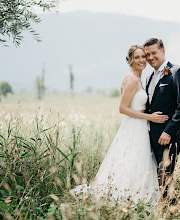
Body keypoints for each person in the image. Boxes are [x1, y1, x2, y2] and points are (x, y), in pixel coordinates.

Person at [70, 45, 169, 204]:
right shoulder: (131, 79)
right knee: (130, 161)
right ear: (130, 60)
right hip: (134, 127)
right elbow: (122, 108)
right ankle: (123, 198)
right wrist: (150, 117)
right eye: (137, 57)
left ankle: (136, 197)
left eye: (143, 56)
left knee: (137, 161)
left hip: (140, 127)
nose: (142, 60)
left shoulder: (138, 78)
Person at [144, 38, 180, 199]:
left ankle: (171, 211)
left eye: (154, 53)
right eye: (147, 54)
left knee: (165, 176)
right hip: (151, 136)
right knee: (155, 178)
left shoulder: (177, 72)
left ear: (163, 52)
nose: (150, 57)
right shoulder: (149, 77)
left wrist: (169, 132)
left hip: (168, 137)